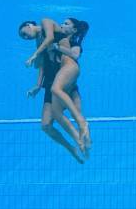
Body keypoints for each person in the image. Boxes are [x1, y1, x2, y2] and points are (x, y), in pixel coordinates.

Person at [19, 18, 91, 155]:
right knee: (48, 123)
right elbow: (41, 66)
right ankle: (75, 146)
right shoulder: (39, 42)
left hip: (66, 75)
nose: (25, 37)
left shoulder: (46, 23)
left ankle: (84, 131)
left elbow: (52, 40)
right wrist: (37, 85)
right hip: (53, 78)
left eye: (24, 33)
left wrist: (35, 55)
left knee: (74, 110)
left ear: (29, 25)